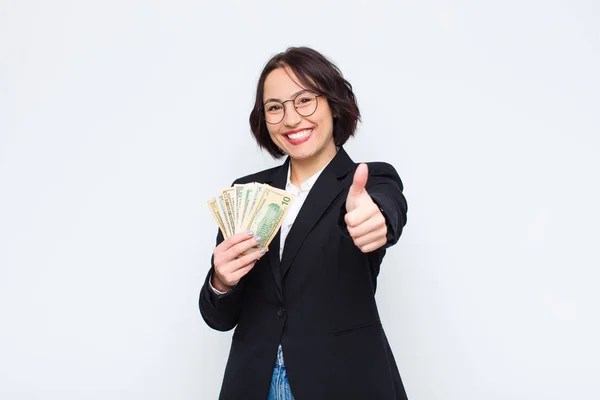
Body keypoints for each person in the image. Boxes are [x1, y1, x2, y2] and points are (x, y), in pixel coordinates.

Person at [199, 46, 409, 399]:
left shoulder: (371, 183)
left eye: (305, 100)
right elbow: (219, 319)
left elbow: (388, 210)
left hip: (342, 381)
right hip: (254, 382)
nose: (291, 119)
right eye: (275, 108)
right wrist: (221, 281)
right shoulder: (247, 193)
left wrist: (377, 220)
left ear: (333, 103)